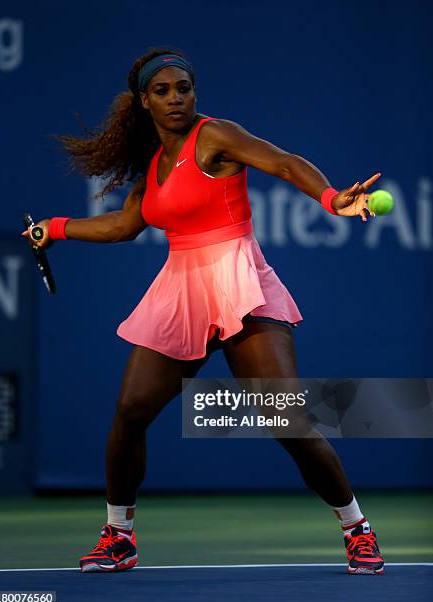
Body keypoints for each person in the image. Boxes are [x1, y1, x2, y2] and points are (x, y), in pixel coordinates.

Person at [22, 48, 385, 575]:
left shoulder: (215, 135)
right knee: (130, 413)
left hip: (240, 282)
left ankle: (357, 529)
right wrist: (54, 228)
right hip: (181, 291)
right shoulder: (152, 165)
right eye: (163, 91)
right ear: (144, 100)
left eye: (184, 88)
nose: (176, 99)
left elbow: (282, 161)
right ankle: (118, 535)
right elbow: (124, 227)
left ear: (195, 92)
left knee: (287, 421)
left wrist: (332, 199)